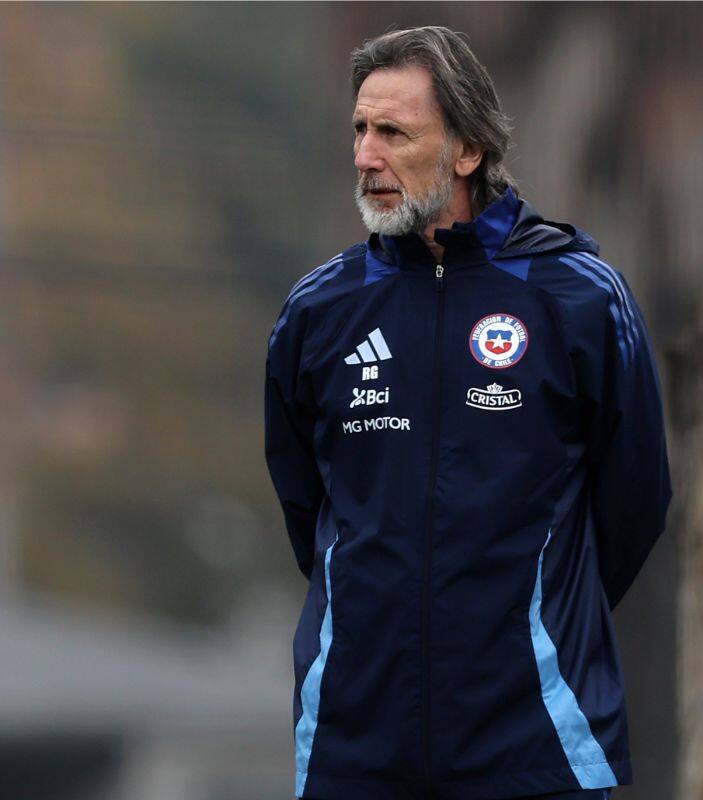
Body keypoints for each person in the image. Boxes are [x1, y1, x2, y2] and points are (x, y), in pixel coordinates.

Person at [263, 25, 671, 800]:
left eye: (393, 132)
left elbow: (636, 504)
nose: (364, 156)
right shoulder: (318, 313)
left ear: (468, 150)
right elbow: (309, 513)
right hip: (356, 749)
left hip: (536, 745)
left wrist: (535, 619)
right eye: (359, 129)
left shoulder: (579, 298)